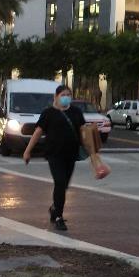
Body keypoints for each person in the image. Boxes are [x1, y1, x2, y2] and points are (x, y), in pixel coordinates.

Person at [22, 84, 110, 231]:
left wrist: (93, 148)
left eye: (68, 95)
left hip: (71, 154)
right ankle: (59, 217)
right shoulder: (48, 113)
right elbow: (38, 132)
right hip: (54, 154)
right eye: (63, 95)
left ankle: (54, 207)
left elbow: (83, 133)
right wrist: (27, 151)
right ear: (56, 97)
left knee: (64, 185)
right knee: (60, 182)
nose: (66, 98)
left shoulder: (76, 112)